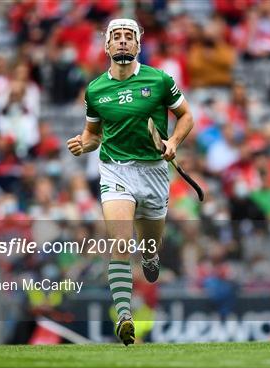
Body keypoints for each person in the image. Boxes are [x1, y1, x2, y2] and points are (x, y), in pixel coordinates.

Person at [66, 19, 194, 346]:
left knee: (150, 245)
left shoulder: (160, 80)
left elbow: (186, 117)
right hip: (115, 170)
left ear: (138, 44)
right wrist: (84, 143)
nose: (122, 42)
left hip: (153, 171)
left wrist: (174, 143)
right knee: (121, 243)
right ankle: (124, 315)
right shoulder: (95, 90)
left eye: (129, 37)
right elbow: (94, 135)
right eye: (116, 37)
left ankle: (151, 257)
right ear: (106, 46)